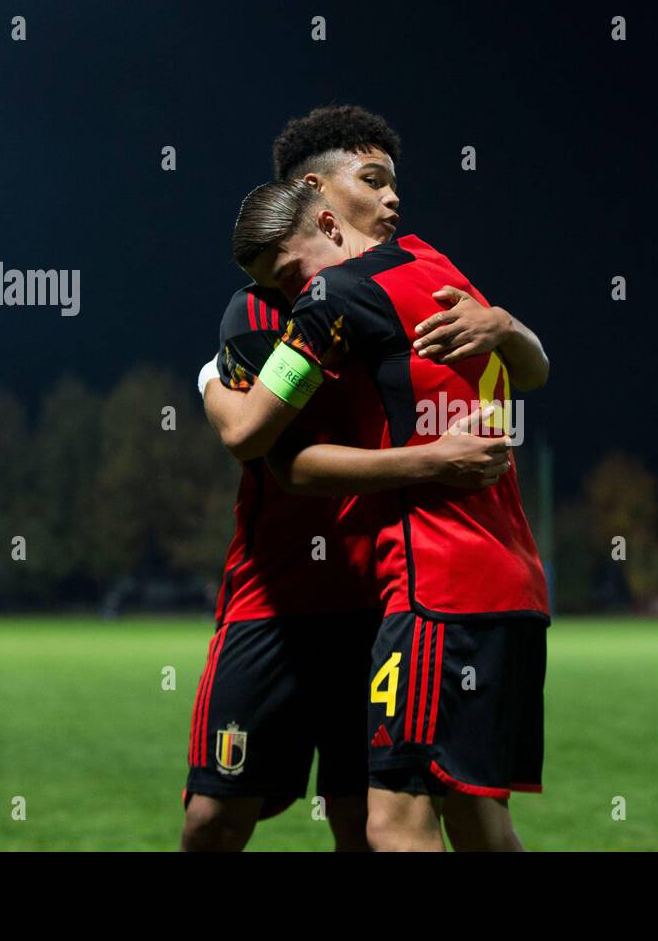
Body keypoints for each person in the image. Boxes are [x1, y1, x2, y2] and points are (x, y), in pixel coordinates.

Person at [219, 180, 550, 851]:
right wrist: (508, 322)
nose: (288, 298)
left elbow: (250, 435)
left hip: (438, 587)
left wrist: (208, 376)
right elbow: (535, 369)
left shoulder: (332, 296)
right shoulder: (433, 264)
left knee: (393, 826)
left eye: (287, 277)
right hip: (514, 582)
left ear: (326, 219)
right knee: (481, 821)